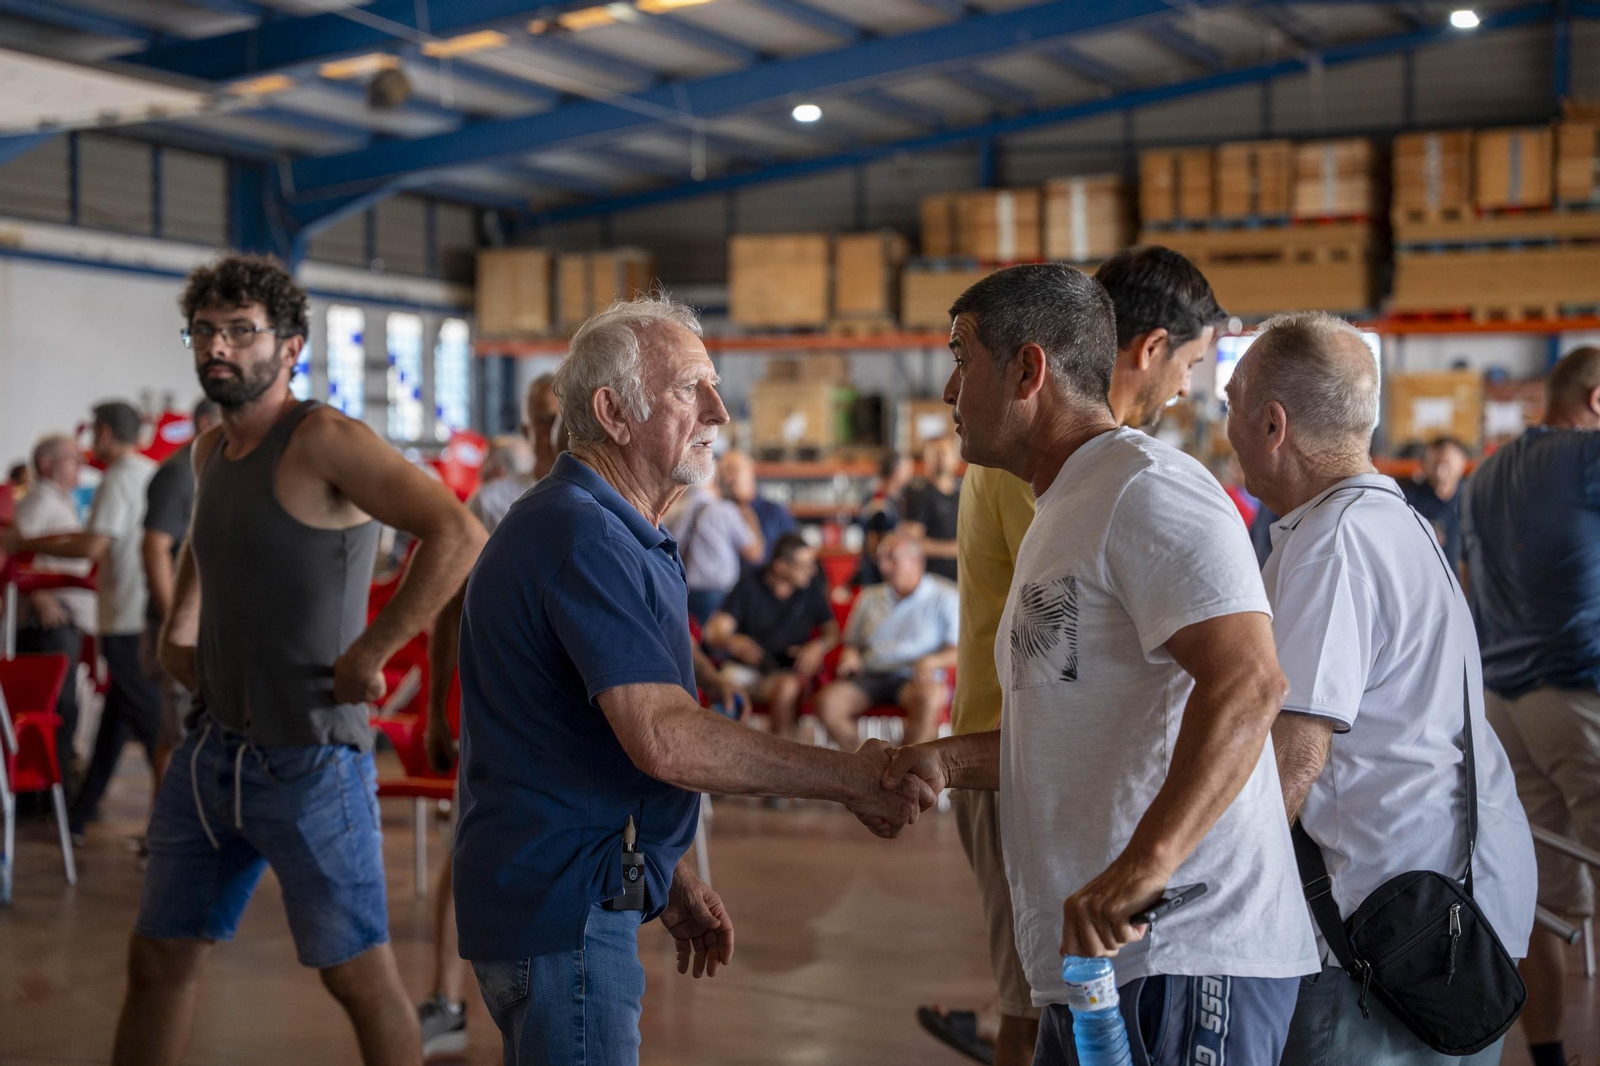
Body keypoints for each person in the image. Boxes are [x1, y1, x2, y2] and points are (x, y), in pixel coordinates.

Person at [454, 294, 934, 1066]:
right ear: (613, 412)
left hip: (574, 891)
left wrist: (664, 870)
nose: (719, 409)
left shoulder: (607, 526)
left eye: (714, 386)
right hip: (562, 910)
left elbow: (583, 739)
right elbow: (664, 736)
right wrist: (849, 775)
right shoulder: (580, 533)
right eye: (690, 389)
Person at [882, 263, 1317, 1066]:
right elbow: (1075, 724)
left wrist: (1143, 867)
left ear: (1028, 370)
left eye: (961, 358)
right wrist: (946, 759)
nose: (947, 389)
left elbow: (1251, 681)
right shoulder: (1060, 509)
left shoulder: (1147, 492)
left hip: (1184, 949)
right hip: (1095, 962)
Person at [109, 253, 485, 1066]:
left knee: (360, 981)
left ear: (289, 348)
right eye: (205, 331)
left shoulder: (324, 439)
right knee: (159, 961)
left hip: (311, 761)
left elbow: (458, 534)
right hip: (210, 756)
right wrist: (181, 627)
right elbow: (209, 552)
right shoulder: (210, 454)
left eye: (242, 331)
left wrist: (375, 649)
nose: (220, 348)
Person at [1227, 312, 1535, 1066]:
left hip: (1381, 938)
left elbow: (1295, 756)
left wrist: (1207, 893)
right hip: (1445, 914)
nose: (1222, 421)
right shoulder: (1392, 524)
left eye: (1230, 402)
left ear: (1273, 424)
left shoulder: (1336, 544)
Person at [414, 374, 567, 1058]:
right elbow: (447, 610)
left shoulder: (612, 499)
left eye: (560, 418)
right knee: (467, 849)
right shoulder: (497, 502)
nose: (551, 433)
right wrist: (434, 713)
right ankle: (446, 998)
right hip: (499, 713)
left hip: (577, 717)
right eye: (539, 420)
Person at [1462, 344, 1600, 1066]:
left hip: (1503, 704)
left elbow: (1467, 580)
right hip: (1578, 691)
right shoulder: (1588, 459)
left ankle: (1547, 1056)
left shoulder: (1485, 475)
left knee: (1540, 898)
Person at [8, 403, 161, 841]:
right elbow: (26, 558)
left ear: (107, 433)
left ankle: (178, 812)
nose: (82, 458)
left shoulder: (119, 477)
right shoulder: (141, 473)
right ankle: (76, 811)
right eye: (71, 457)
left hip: (121, 613)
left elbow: (88, 547)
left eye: (89, 440)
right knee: (111, 716)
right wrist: (33, 576)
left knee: (142, 717)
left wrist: (25, 544)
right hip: (106, 614)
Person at [812, 534, 958, 751]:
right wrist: (850, 654)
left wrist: (932, 661)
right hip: (871, 674)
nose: (883, 566)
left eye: (891, 559)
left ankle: (904, 770)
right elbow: (851, 643)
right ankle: (869, 764)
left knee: (930, 698)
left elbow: (959, 650)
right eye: (880, 559)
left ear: (915, 560)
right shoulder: (869, 596)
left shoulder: (945, 596)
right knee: (828, 702)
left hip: (915, 677)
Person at [140, 398, 220, 791]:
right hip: (177, 626)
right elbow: (154, 547)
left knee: (179, 733)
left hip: (200, 624)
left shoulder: (213, 469)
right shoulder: (178, 473)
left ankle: (165, 836)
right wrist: (177, 623)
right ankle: (174, 837)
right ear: (207, 422)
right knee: (182, 736)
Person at [9, 434, 96, 775]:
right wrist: (39, 595)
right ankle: (46, 791)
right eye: (72, 459)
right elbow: (13, 554)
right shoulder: (38, 502)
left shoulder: (58, 501)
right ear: (47, 464)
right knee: (56, 706)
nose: (80, 466)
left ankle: (52, 788)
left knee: (65, 706)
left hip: (63, 620)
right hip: (47, 623)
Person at [702, 533, 837, 740]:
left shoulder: (810, 588)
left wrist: (817, 646)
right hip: (744, 668)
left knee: (788, 687)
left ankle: (781, 760)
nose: (813, 571)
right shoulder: (749, 585)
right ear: (780, 567)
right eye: (805, 565)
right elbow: (713, 632)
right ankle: (718, 757)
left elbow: (832, 631)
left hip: (782, 672)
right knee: (725, 687)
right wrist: (732, 641)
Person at [667, 461, 763, 621]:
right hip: (718, 593)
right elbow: (754, 553)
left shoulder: (683, 509)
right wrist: (746, 510)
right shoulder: (725, 510)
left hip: (686, 590)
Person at [1400, 435, 1470, 575]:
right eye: (1434, 465)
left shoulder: (1472, 499)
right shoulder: (1408, 502)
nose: (1440, 473)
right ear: (1424, 465)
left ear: (1462, 463)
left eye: (1447, 465)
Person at [719, 448, 796, 573]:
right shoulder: (717, 511)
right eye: (723, 472)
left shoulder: (774, 511)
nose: (728, 478)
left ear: (750, 472)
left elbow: (793, 551)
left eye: (733, 470)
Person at [904, 436, 961, 581]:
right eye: (935, 453)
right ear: (926, 459)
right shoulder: (919, 495)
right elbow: (911, 544)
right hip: (932, 580)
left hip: (960, 581)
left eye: (945, 452)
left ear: (955, 457)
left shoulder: (962, 496)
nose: (941, 458)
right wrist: (955, 549)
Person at [857, 450, 913, 586]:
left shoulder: (894, 501)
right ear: (896, 472)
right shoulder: (878, 503)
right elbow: (873, 548)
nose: (911, 473)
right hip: (880, 579)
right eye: (907, 468)